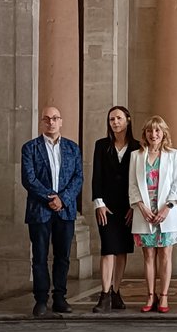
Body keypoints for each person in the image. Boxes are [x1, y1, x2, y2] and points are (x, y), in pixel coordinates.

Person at [20, 107, 84, 317]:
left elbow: (78, 178)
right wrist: (51, 198)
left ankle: (60, 296)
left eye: (55, 118)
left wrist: (62, 199)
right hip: (40, 210)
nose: (51, 122)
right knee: (39, 256)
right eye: (47, 119)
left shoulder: (72, 148)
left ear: (61, 121)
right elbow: (29, 179)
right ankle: (40, 299)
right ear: (42, 122)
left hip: (65, 210)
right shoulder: (30, 148)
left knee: (62, 256)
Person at [128, 116, 177, 314]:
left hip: (166, 211)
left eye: (158, 131)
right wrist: (142, 207)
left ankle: (164, 296)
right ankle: (150, 295)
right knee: (149, 255)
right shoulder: (136, 155)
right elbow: (133, 186)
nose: (154, 135)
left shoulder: (173, 154)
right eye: (150, 131)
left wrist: (167, 208)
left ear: (164, 134)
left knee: (166, 255)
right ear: (145, 134)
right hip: (144, 211)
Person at [90, 105, 140, 313]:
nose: (115, 122)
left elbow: (139, 178)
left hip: (128, 207)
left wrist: (134, 206)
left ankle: (116, 292)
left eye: (119, 118)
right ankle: (104, 294)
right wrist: (98, 203)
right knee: (108, 249)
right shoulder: (101, 145)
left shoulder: (138, 146)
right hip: (107, 207)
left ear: (127, 120)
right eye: (111, 119)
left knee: (121, 251)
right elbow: (96, 176)